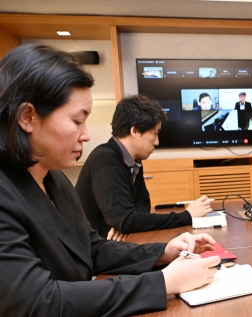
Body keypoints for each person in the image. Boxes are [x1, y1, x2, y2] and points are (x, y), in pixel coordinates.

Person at [0, 44, 221, 316]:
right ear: (28, 117)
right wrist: (164, 282)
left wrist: (163, 252)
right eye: (77, 121)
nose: (86, 135)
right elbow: (38, 302)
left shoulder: (54, 179)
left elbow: (91, 249)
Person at [76, 95, 213, 239]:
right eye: (155, 133)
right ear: (134, 131)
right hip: (92, 251)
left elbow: (142, 203)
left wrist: (126, 223)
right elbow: (125, 220)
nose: (157, 142)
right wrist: (186, 216)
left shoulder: (134, 159)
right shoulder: (106, 160)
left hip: (113, 245)